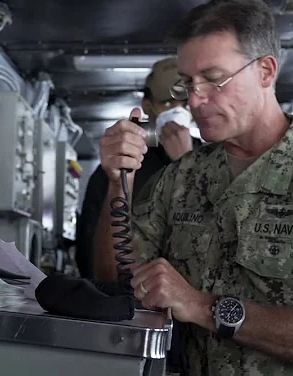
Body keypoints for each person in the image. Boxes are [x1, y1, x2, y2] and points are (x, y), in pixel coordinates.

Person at [93, 0, 293, 376]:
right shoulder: (182, 178)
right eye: (187, 83)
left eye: (214, 78)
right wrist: (117, 182)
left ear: (266, 71)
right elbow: (113, 279)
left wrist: (203, 307)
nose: (195, 98)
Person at [75, 57, 200, 280]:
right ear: (147, 105)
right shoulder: (122, 163)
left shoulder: (213, 159)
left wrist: (185, 161)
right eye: (168, 104)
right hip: (133, 301)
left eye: (185, 105)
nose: (178, 113)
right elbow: (90, 258)